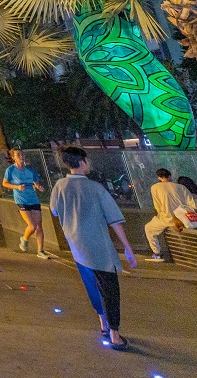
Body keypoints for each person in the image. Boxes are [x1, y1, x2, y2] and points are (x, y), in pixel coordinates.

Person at [48, 146, 137, 352]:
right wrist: (127, 247)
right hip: (99, 248)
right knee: (110, 290)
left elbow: (54, 211)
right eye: (87, 160)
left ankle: (103, 324)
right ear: (82, 162)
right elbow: (114, 220)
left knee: (92, 286)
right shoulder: (96, 188)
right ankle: (115, 335)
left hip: (77, 246)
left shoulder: (59, 186)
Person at [2, 148, 50, 258]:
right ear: (13, 157)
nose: (21, 156)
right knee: (32, 226)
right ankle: (24, 239)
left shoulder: (30, 170)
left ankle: (41, 250)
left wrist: (39, 187)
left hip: (33, 199)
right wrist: (17, 187)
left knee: (39, 226)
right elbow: (5, 183)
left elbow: (35, 182)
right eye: (18, 155)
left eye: (22, 154)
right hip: (21, 200)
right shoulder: (10, 170)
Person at [145, 168, 197, 261]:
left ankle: (157, 253)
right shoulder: (181, 187)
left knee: (148, 228)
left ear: (159, 178)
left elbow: (157, 205)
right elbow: (192, 203)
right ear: (170, 176)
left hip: (166, 218)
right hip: (183, 218)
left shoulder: (155, 187)